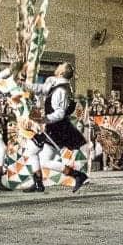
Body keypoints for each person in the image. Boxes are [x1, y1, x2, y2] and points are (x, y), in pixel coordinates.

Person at [36, 61, 91, 190]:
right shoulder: (61, 86)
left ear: (61, 73)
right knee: (44, 159)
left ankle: (78, 175)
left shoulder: (60, 90)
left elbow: (59, 113)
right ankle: (78, 175)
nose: (57, 67)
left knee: (44, 160)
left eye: (60, 67)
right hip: (58, 127)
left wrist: (43, 119)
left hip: (57, 128)